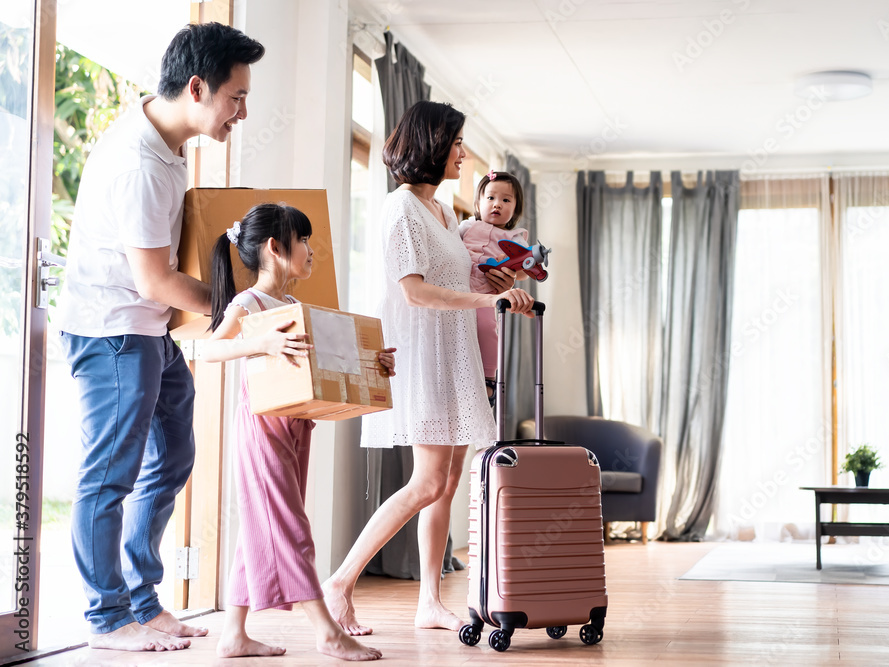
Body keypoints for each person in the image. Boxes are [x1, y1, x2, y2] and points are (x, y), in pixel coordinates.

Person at [58, 22, 264, 652]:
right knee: (109, 476)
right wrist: (237, 308)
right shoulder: (142, 162)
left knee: (173, 457)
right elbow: (153, 279)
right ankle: (108, 619)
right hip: (114, 331)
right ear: (198, 88)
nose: (243, 111)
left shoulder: (166, 140)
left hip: (146, 331)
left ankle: (144, 602)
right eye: (236, 96)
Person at [322, 101, 533, 635]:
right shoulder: (400, 210)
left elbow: (462, 281)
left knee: (447, 481)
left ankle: (429, 601)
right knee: (427, 482)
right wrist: (487, 304)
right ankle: (340, 582)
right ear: (434, 144)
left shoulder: (445, 214)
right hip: (422, 358)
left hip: (455, 354)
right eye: (458, 142)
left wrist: (502, 289)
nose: (464, 153)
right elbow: (413, 292)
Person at [201, 204, 390, 661]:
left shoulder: (292, 305)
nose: (310, 250)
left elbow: (325, 363)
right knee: (290, 527)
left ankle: (234, 634)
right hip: (262, 428)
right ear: (274, 247)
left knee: (262, 524)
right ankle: (325, 631)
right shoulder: (249, 304)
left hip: (296, 426)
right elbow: (209, 350)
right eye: (302, 240)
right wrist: (261, 342)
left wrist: (375, 363)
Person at [458, 170, 529, 405]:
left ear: (515, 209)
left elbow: (524, 269)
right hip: (458, 292)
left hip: (486, 296)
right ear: (478, 203)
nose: (497, 204)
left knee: (488, 328)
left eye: (506, 200)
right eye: (490, 198)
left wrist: (512, 273)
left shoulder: (515, 238)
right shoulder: (466, 227)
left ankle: (489, 378)